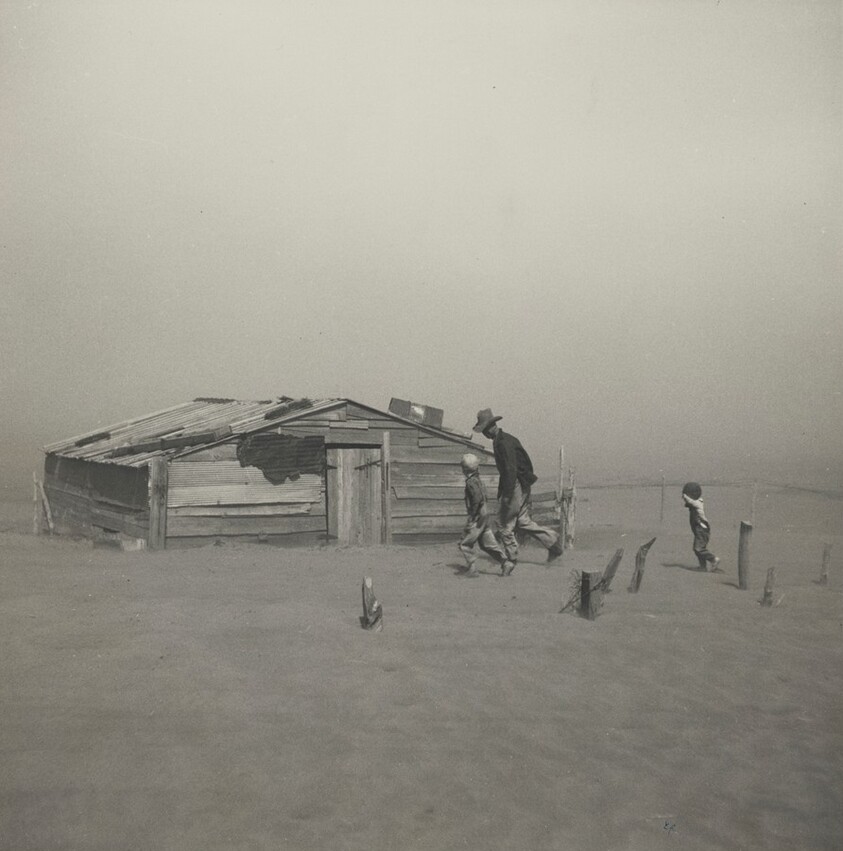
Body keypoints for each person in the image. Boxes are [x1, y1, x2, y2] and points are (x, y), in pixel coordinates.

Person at [472, 408, 563, 574]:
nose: (484, 434)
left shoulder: (503, 443)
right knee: (522, 521)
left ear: (491, 426)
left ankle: (511, 559)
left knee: (503, 523)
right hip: (520, 483)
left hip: (515, 484)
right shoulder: (503, 439)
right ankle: (552, 542)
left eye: (485, 430)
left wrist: (507, 496)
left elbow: (510, 470)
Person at [458, 453, 513, 577]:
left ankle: (472, 569)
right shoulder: (479, 480)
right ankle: (506, 563)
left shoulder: (471, 482)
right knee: (487, 543)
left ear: (464, 469)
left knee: (465, 542)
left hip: (478, 515)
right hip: (485, 514)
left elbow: (477, 498)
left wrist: (473, 515)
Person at [682, 482, 721, 571]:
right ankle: (703, 567)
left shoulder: (698, 503)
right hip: (699, 529)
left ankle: (714, 559)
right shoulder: (695, 502)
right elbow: (688, 503)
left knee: (698, 549)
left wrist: (684, 495)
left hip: (702, 529)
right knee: (700, 549)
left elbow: (689, 501)